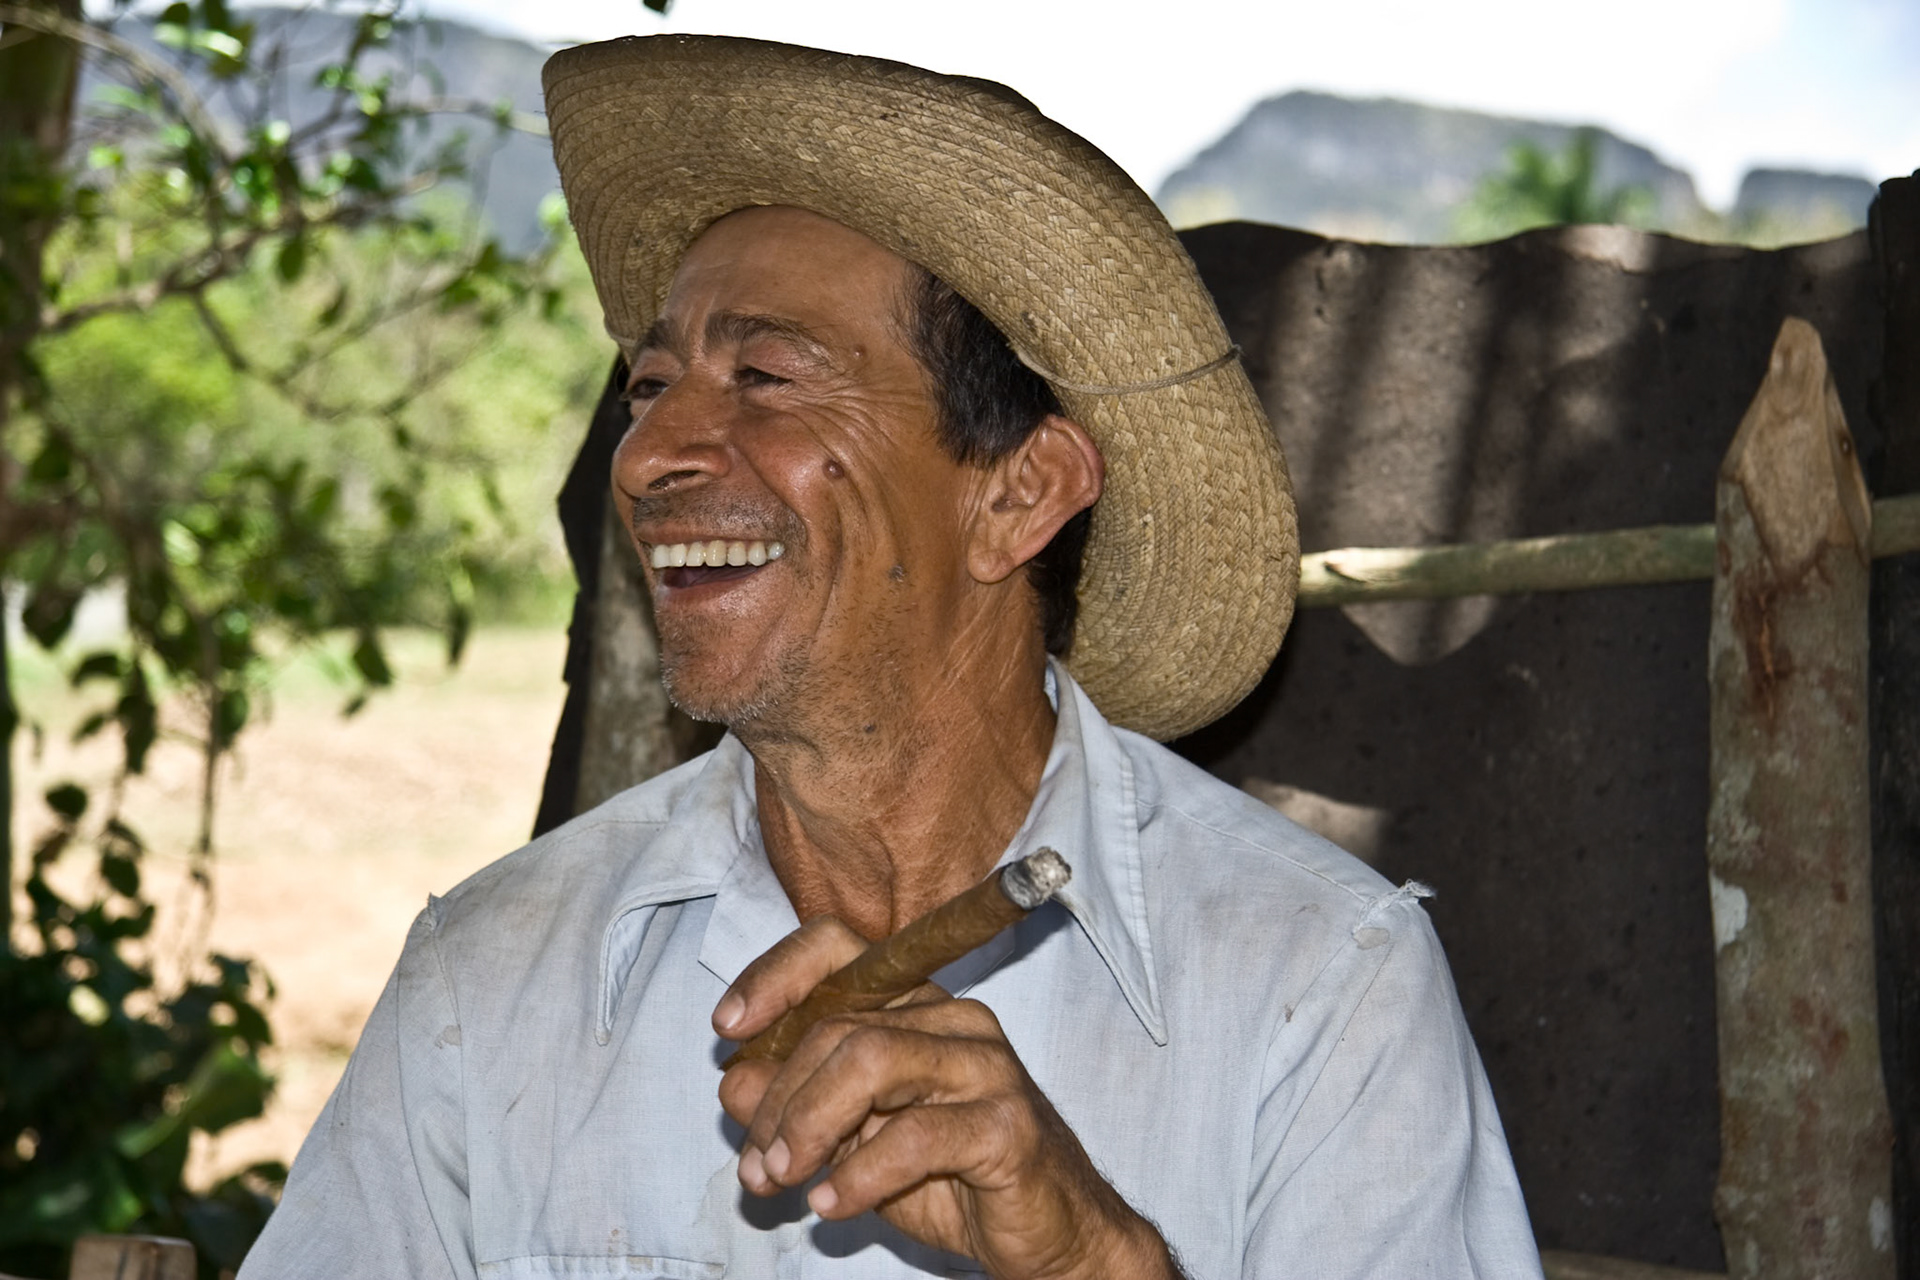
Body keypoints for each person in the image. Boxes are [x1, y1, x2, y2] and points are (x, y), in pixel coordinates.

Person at [240, 35, 1544, 1279]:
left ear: (1017, 495)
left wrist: (1095, 1263)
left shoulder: (1317, 988)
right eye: (648, 388)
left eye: (764, 376)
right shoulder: (494, 978)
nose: (648, 456)